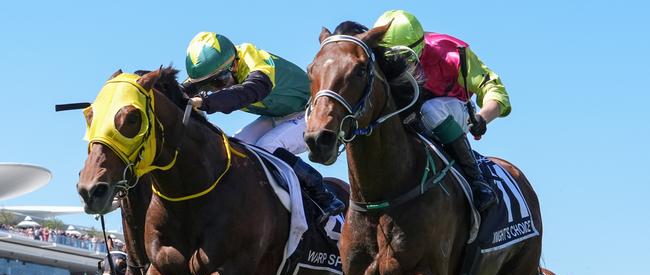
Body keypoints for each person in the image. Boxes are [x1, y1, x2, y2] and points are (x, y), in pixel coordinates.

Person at [183, 32, 344, 222]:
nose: (218, 89)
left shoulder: (254, 60)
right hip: (277, 115)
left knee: (267, 147)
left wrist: (205, 101)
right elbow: (181, 90)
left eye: (219, 82)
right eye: (208, 86)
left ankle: (323, 195)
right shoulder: (223, 65)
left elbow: (249, 92)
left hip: (312, 112)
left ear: (234, 65)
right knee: (235, 147)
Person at [374, 10, 512, 212]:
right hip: (409, 114)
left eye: (402, 57)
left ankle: (476, 179)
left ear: (418, 48)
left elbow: (494, 89)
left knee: (430, 109)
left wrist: (483, 117)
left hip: (453, 112)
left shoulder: (451, 53)